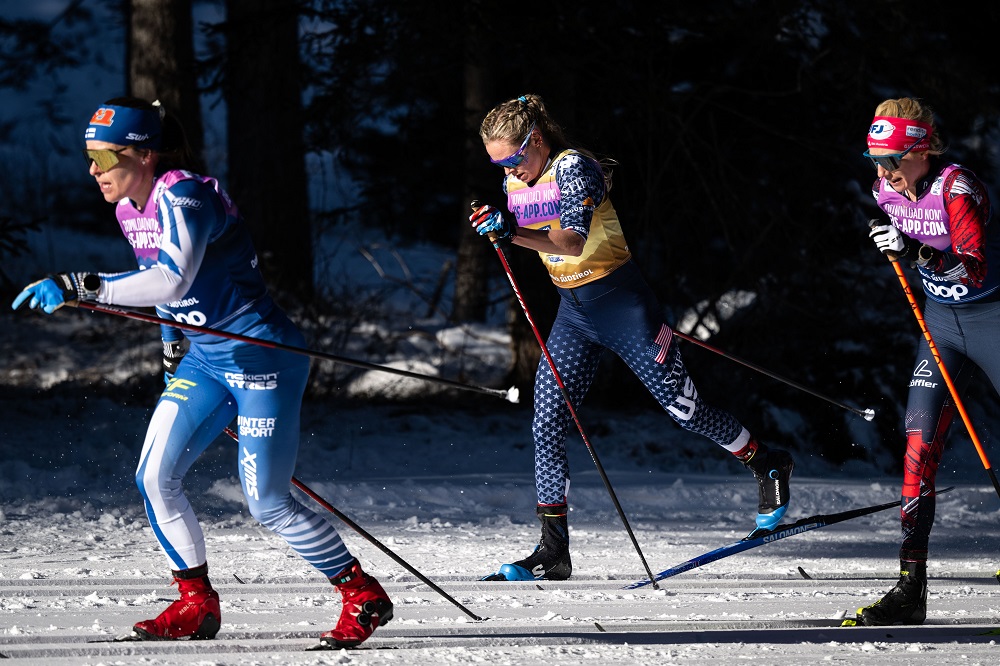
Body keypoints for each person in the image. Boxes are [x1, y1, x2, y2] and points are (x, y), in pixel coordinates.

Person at [11, 97, 392, 647]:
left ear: (141, 154)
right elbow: (162, 293)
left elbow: (172, 279)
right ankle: (196, 604)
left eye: (102, 156)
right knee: (153, 478)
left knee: (267, 503)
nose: (92, 169)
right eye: (88, 155)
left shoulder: (186, 195)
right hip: (207, 360)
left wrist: (80, 285)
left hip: (262, 359)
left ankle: (362, 594)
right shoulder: (128, 210)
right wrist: (171, 346)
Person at [470, 93, 794, 582]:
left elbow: (572, 242)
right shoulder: (516, 176)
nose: (510, 170)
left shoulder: (575, 169)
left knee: (681, 409)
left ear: (536, 139)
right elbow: (531, 233)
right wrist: (500, 227)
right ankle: (553, 550)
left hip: (622, 305)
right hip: (573, 313)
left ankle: (766, 461)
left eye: (514, 157)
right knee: (546, 421)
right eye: (498, 163)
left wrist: (510, 231)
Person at [854, 97, 998, 626]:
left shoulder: (958, 189)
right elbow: (912, 244)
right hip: (941, 324)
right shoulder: (884, 190)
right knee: (917, 443)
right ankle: (911, 588)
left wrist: (914, 252)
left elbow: (972, 269)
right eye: (876, 159)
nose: (884, 170)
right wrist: (894, 246)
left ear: (923, 148)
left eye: (893, 158)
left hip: (992, 316)